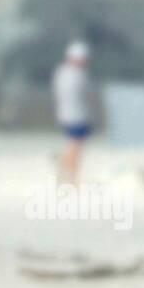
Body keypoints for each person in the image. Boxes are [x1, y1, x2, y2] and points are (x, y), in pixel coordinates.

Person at [52, 42, 92, 185]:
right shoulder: (78, 75)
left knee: (73, 146)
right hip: (77, 115)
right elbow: (84, 95)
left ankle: (68, 175)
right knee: (75, 147)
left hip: (65, 114)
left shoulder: (61, 72)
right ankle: (70, 177)